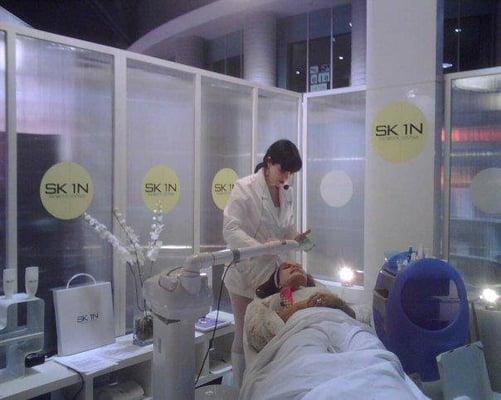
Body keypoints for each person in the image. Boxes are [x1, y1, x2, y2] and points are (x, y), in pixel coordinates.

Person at [223, 139, 310, 387]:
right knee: (244, 334)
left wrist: (296, 239)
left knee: (282, 326)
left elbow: (286, 230)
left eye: (291, 173)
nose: (287, 178)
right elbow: (230, 229)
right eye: (284, 170)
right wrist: (262, 248)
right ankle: (242, 387)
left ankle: (270, 386)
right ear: (269, 162)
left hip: (278, 273)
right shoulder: (244, 188)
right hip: (244, 274)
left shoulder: (287, 191)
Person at [245, 262, 356, 352]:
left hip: (342, 330)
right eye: (287, 267)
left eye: (299, 267)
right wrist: (300, 306)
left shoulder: (322, 291)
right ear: (277, 282)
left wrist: (338, 303)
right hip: (303, 337)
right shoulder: (266, 303)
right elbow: (257, 338)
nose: (295, 267)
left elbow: (352, 317)